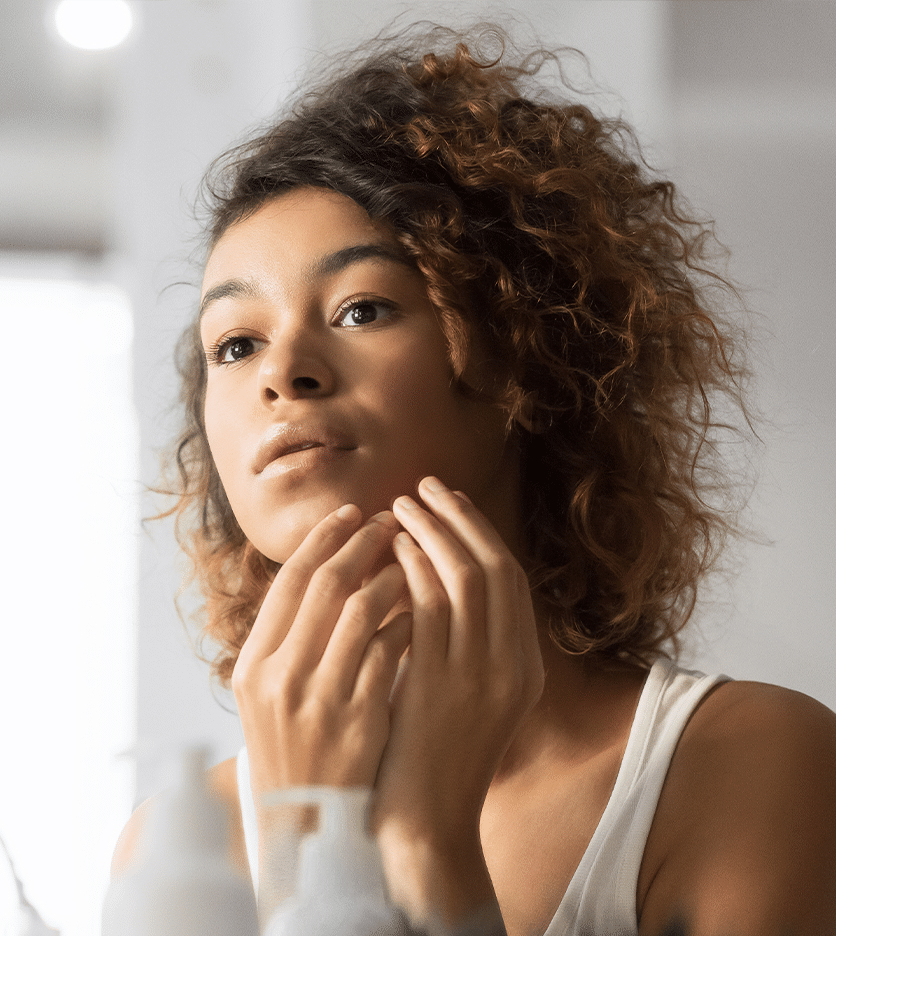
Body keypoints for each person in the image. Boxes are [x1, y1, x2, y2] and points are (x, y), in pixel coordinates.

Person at [111, 25, 835, 935]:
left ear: (527, 360)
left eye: (361, 309)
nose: (281, 372)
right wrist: (303, 833)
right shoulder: (180, 848)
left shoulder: (756, 764)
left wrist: (429, 846)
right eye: (235, 344)